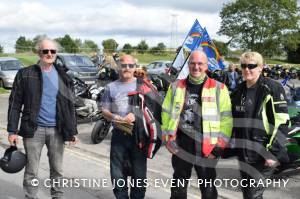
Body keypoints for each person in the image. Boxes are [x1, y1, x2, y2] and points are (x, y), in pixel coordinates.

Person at [7, 37, 78, 199]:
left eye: (52, 51)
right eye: (45, 51)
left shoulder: (64, 76)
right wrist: (12, 130)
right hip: (33, 129)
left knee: (57, 170)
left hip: (57, 130)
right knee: (32, 170)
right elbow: (15, 104)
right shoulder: (25, 74)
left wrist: (72, 130)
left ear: (56, 53)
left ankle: (57, 197)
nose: (49, 54)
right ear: (39, 53)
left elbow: (69, 107)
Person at [161, 50, 233, 199]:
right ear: (188, 65)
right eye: (193, 63)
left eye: (200, 63)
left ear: (206, 66)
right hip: (181, 144)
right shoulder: (175, 86)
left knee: (208, 189)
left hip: (207, 146)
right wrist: (168, 139)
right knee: (178, 186)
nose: (196, 67)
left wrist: (219, 147)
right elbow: (166, 114)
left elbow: (226, 120)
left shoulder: (219, 88)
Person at [231, 52, 290, 199]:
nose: (247, 69)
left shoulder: (272, 87)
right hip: (244, 152)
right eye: (244, 66)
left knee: (253, 194)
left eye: (251, 66)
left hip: (264, 152)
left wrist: (273, 152)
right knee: (248, 194)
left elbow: (282, 122)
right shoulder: (238, 90)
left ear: (260, 67)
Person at [101, 54, 161, 199]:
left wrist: (136, 115)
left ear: (135, 67)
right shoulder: (111, 87)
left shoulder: (144, 86)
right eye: (123, 65)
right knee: (117, 174)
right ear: (118, 67)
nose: (127, 68)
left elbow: (155, 109)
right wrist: (115, 116)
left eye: (130, 65)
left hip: (139, 135)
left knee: (139, 175)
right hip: (118, 135)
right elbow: (104, 110)